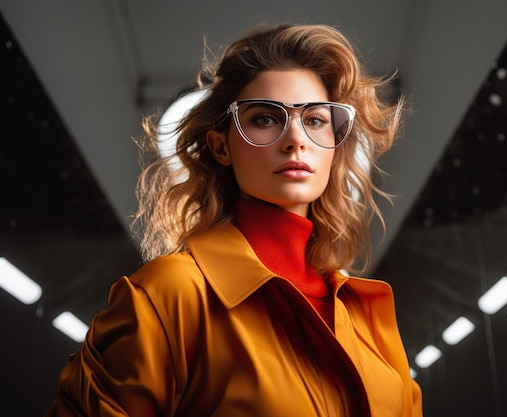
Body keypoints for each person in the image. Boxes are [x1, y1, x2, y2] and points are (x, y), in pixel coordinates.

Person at [45, 23, 423, 416]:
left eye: (314, 120)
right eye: (265, 119)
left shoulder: (368, 313)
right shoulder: (169, 295)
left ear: (334, 144)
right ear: (221, 146)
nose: (296, 139)